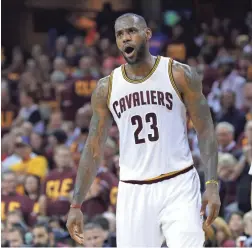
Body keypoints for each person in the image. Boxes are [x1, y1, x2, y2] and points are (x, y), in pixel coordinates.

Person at [66, 13, 221, 247]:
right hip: (133, 189)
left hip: (178, 182)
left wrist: (211, 184)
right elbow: (93, 148)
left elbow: (206, 131)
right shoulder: (106, 88)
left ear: (147, 34)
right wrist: (76, 204)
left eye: (131, 31)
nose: (126, 38)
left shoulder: (178, 74)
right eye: (120, 34)